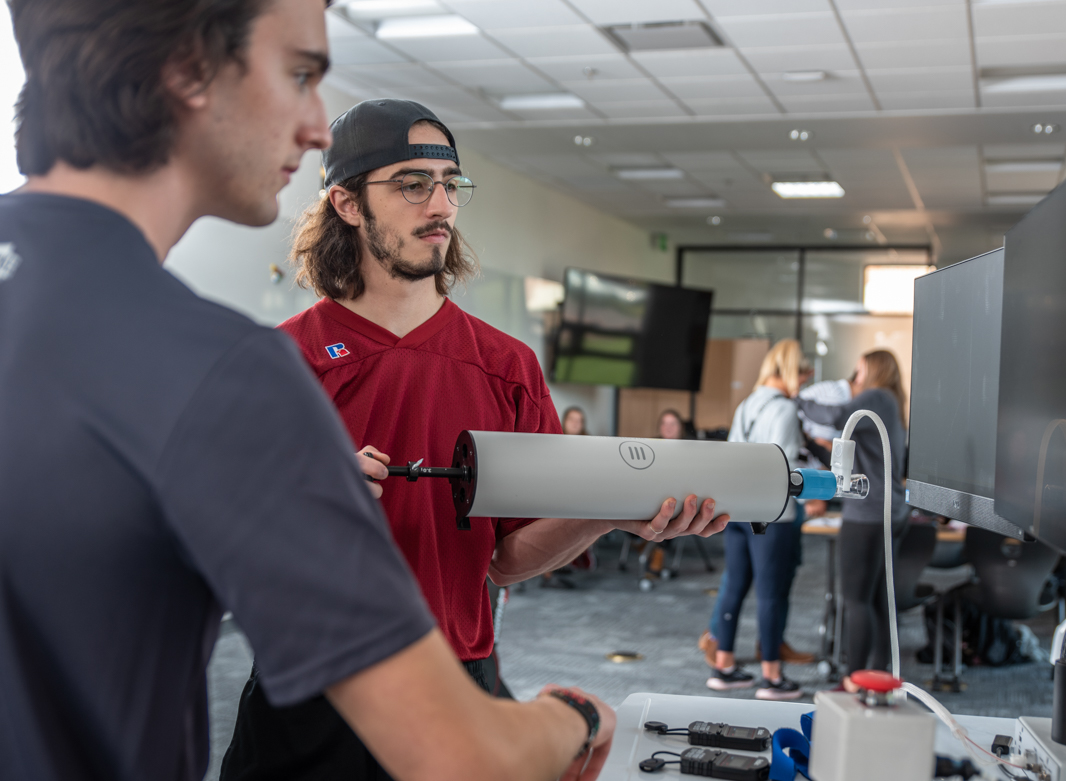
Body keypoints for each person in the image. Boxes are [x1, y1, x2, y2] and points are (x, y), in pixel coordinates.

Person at [0, 1, 616, 778]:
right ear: (187, 72)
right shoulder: (233, 369)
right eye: (300, 73)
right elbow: (459, 754)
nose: (317, 126)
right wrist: (575, 716)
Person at [220, 97, 730, 779]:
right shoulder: (279, 364)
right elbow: (222, 555)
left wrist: (606, 512)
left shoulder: (506, 366)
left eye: (449, 184)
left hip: (463, 682)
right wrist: (306, 496)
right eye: (411, 184)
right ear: (345, 203)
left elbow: (506, 559)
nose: (440, 204)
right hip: (310, 690)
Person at [706, 339, 809, 701]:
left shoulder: (748, 403)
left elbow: (735, 455)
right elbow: (784, 467)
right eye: (804, 370)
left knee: (734, 586)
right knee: (771, 593)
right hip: (772, 514)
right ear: (792, 371)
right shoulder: (783, 409)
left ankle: (724, 666)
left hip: (737, 508)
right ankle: (771, 676)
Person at [798, 349, 911, 674]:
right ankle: (877, 674)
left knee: (856, 599)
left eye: (859, 370)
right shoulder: (890, 403)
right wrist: (813, 445)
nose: (854, 377)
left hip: (868, 514)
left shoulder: (876, 397)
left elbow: (835, 417)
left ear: (871, 371)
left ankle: (854, 679)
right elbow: (852, 459)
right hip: (887, 510)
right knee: (876, 598)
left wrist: (798, 401)